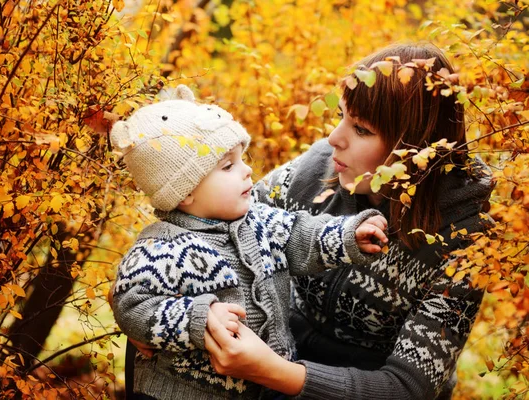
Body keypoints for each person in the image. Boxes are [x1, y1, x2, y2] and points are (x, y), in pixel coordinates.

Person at [202, 43, 494, 399]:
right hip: (276, 350)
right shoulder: (317, 168)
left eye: (361, 129)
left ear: (415, 148)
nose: (333, 138)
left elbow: (408, 387)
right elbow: (213, 228)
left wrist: (272, 371)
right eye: (341, 116)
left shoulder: (465, 234)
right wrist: (167, 309)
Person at [109, 85, 389, 400]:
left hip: (261, 386)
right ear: (184, 192)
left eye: (242, 159)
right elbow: (131, 304)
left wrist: (347, 236)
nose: (248, 171)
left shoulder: (261, 221)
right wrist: (196, 319)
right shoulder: (161, 248)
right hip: (180, 391)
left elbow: (302, 234)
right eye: (228, 166)